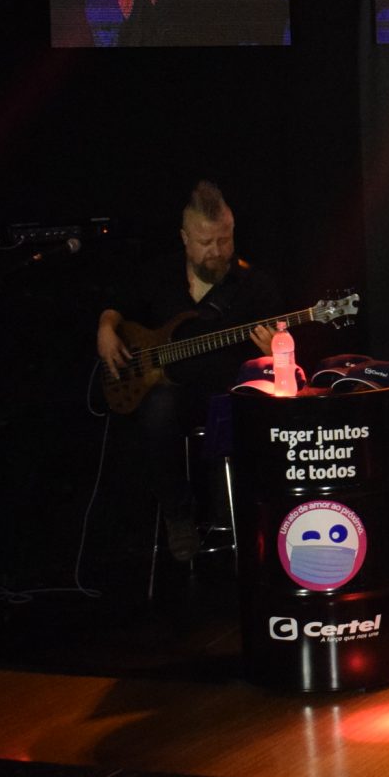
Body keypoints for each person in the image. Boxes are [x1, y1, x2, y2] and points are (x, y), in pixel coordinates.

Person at [95, 180, 283, 563]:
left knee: (239, 410)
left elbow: (283, 352)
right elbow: (118, 304)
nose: (216, 251)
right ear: (185, 238)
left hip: (227, 394)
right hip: (173, 396)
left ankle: (233, 521)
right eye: (205, 242)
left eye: (224, 240)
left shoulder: (254, 286)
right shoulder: (159, 274)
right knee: (157, 410)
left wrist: (276, 352)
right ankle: (177, 516)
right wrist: (105, 327)